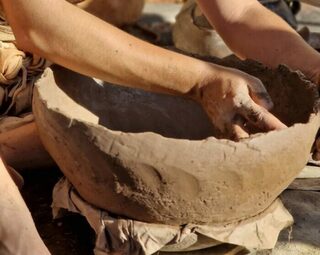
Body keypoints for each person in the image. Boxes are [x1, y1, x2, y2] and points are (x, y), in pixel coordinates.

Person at [0, 0, 319, 254]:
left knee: (98, 127)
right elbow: (36, 21)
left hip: (38, 64)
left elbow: (238, 13)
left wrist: (316, 73)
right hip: (28, 39)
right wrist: (200, 81)